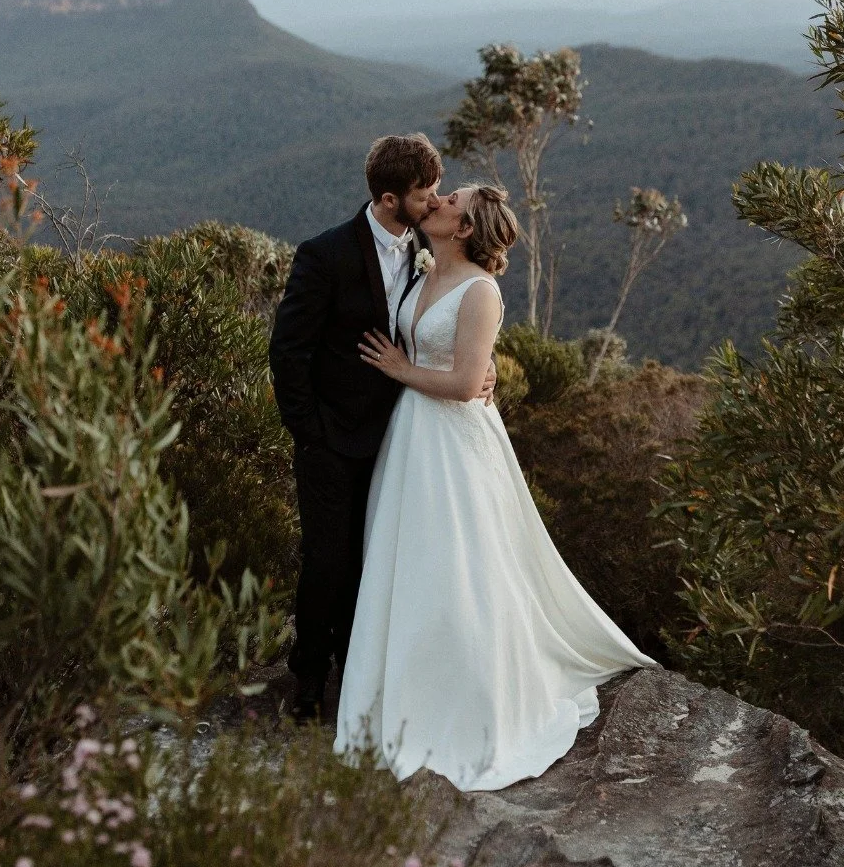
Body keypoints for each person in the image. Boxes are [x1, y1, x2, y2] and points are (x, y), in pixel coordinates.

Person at [334, 184, 656, 792]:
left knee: (457, 567)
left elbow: (462, 384)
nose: (438, 199)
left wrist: (403, 369)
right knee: (407, 565)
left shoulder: (481, 290)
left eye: (449, 199)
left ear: (463, 227)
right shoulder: (422, 269)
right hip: (409, 439)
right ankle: (395, 692)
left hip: (452, 443)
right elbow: (468, 363)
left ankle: (463, 707)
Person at [269, 133, 495, 721]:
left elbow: (457, 312)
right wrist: (309, 432)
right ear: (392, 200)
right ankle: (310, 680)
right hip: (331, 439)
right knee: (328, 560)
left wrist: (484, 366)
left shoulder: (433, 242)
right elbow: (288, 351)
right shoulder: (325, 255)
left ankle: (365, 674)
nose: (437, 201)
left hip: (404, 434)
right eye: (427, 195)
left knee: (385, 559)